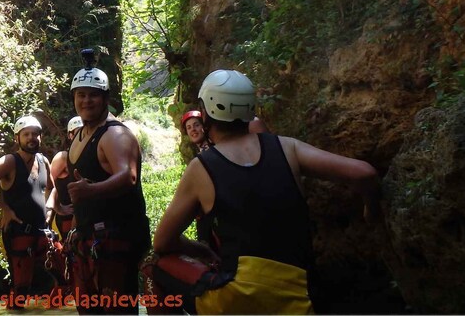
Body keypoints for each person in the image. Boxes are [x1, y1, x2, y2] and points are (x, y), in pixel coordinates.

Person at [151, 70, 381, 314]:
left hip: (240, 300)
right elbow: (364, 173)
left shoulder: (202, 167)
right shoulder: (286, 147)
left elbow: (162, 242)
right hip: (301, 296)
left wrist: (202, 250)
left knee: (157, 268)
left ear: (207, 112)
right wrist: (371, 211)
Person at [66, 53, 150, 315]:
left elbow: (128, 175)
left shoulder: (115, 134)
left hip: (117, 240)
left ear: (105, 98)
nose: (86, 100)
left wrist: (92, 190)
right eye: (81, 94)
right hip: (90, 239)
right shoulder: (80, 133)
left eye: (93, 95)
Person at [0, 115, 56, 308]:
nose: (31, 138)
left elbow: (53, 188)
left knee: (64, 274)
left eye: (35, 134)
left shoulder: (44, 161)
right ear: (17, 138)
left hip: (42, 231)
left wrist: (51, 208)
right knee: (21, 287)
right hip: (19, 231)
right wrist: (5, 209)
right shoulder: (9, 162)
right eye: (26, 134)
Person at [44, 115, 82, 298]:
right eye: (77, 132)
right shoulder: (63, 157)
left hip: (84, 219)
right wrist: (57, 207)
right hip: (66, 219)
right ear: (70, 135)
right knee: (70, 262)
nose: (81, 135)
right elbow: (48, 185)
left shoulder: (91, 156)